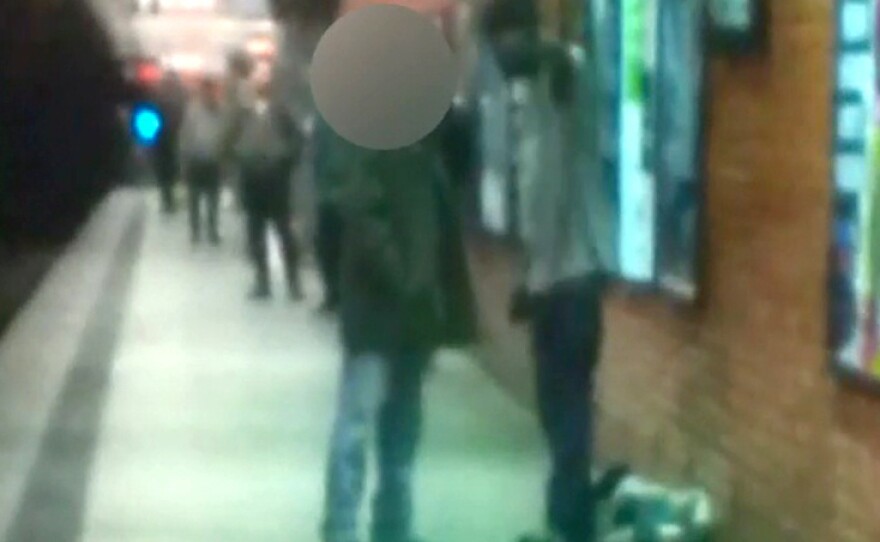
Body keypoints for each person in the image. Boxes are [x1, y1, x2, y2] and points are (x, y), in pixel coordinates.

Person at [483, 2, 618, 542]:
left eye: (506, 44)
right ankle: (567, 517)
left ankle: (570, 525)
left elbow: (585, 83)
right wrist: (528, 279)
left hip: (576, 280)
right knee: (557, 408)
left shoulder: (564, 77)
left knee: (567, 410)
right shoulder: (530, 95)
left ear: (526, 35)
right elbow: (537, 200)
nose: (500, 58)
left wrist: (558, 54)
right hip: (551, 282)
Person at [320, 125, 477, 542]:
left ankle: (393, 523)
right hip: (377, 313)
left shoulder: (427, 152)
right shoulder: (369, 144)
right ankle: (342, 527)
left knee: (401, 427)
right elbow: (364, 218)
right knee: (359, 421)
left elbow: (442, 234)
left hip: (414, 315)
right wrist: (406, 278)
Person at [232, 67, 304, 300]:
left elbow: (297, 141)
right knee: (256, 233)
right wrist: (240, 159)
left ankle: (293, 282)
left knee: (284, 231)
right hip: (252, 179)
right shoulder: (243, 114)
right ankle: (262, 281)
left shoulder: (282, 113)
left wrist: (284, 162)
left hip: (276, 180)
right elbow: (228, 141)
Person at [180, 76, 225, 245]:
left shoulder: (221, 111)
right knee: (194, 198)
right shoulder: (193, 111)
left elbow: (225, 134)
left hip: (214, 161)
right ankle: (195, 230)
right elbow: (185, 135)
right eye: (206, 91)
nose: (210, 95)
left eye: (212, 91)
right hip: (196, 160)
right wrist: (184, 157)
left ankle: (212, 230)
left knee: (213, 199)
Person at [153, 70, 187, 214]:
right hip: (167, 140)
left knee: (167, 172)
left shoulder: (159, 97)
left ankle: (168, 200)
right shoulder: (180, 97)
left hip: (166, 140)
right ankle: (169, 200)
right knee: (169, 171)